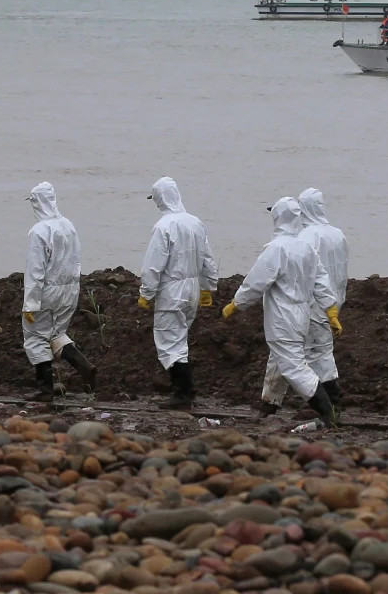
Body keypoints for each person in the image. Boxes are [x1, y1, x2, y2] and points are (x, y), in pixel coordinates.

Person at [222, 198, 342, 428]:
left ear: (277, 217)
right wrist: (330, 309)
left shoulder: (276, 248)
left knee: (293, 366)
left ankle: (328, 411)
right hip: (303, 314)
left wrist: (236, 304)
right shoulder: (306, 248)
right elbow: (321, 280)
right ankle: (269, 404)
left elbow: (256, 282)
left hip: (282, 317)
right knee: (280, 359)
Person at [139, 177, 218, 410]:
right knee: (180, 339)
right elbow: (208, 258)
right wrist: (207, 287)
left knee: (169, 342)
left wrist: (146, 292)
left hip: (172, 291)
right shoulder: (195, 222)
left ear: (160, 199)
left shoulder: (163, 226)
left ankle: (182, 393)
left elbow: (154, 265)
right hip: (192, 289)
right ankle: (186, 389)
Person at [21, 182, 96, 402]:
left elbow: (35, 270)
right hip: (70, 290)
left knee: (35, 336)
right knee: (56, 334)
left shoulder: (39, 231)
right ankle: (83, 365)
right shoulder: (68, 225)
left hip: (47, 291)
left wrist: (30, 303)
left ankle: (45, 389)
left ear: (37, 202)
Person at [276, 187, 349, 412]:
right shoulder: (338, 234)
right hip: (334, 300)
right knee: (324, 350)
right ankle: (331, 399)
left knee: (307, 353)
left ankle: (324, 402)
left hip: (313, 302)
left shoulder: (307, 236)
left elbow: (303, 271)